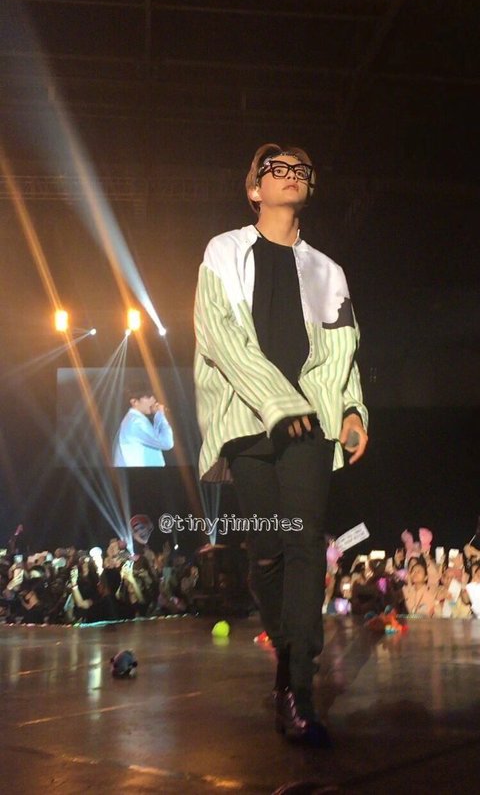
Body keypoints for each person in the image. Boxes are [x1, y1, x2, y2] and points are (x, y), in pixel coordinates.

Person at [194, 143, 368, 744]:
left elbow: (344, 351)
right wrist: (277, 403)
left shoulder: (328, 271)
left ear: (309, 188)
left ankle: (299, 687)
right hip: (249, 418)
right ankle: (286, 659)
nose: (291, 175)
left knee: (304, 545)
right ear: (254, 188)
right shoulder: (223, 251)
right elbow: (220, 336)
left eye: (301, 170)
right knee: (267, 550)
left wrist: (352, 409)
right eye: (278, 168)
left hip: (311, 423)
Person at [112, 387, 174, 467]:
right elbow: (167, 443)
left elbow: (156, 439)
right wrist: (160, 415)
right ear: (134, 402)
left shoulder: (135, 419)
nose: (154, 400)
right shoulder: (136, 422)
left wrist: (159, 415)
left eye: (153, 396)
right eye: (148, 396)